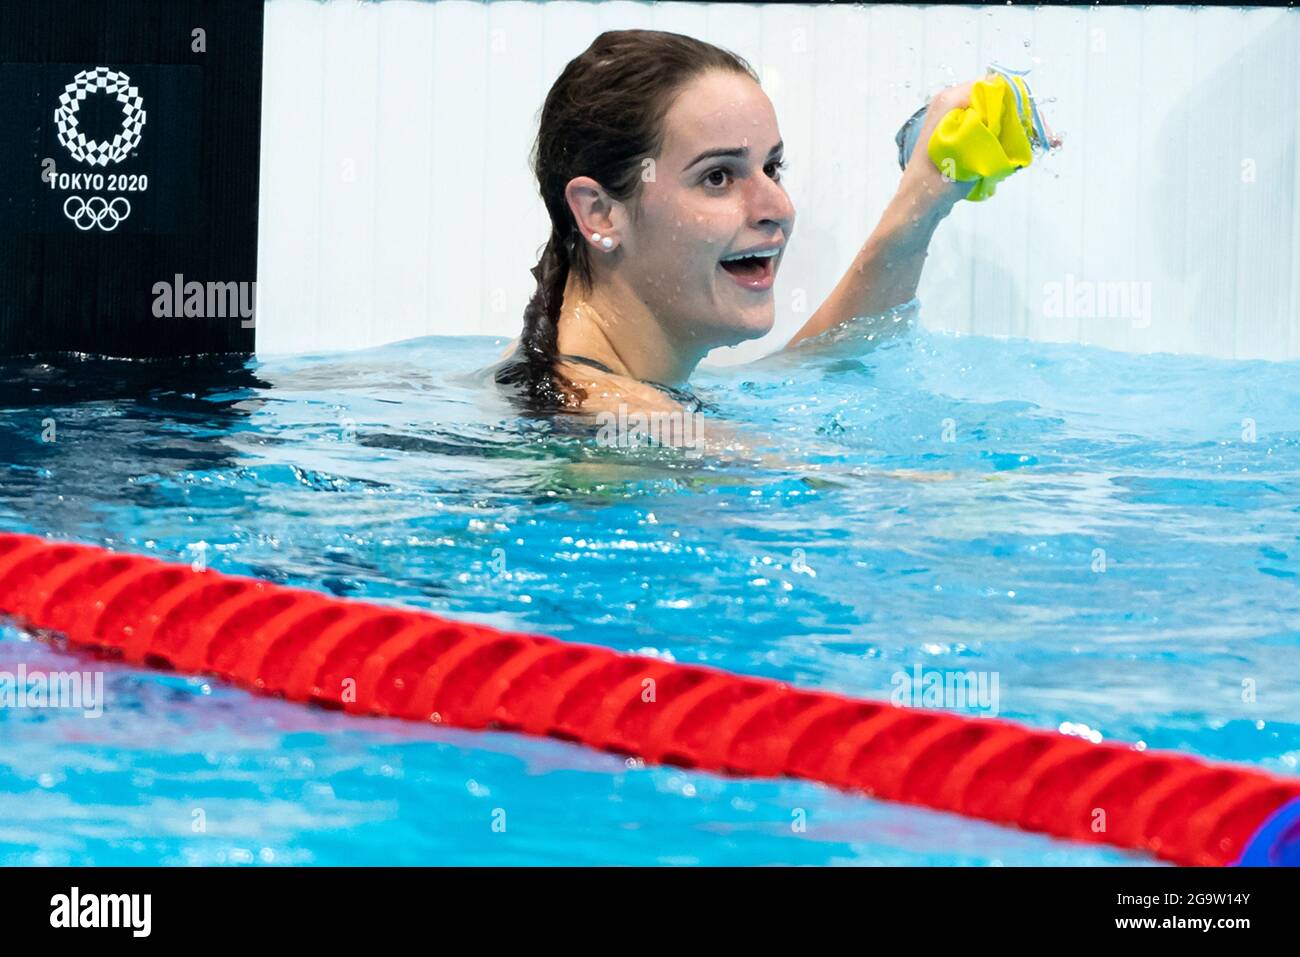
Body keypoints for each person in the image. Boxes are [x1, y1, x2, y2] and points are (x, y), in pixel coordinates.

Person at [492, 28, 980, 424]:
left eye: (772, 168)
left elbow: (810, 366)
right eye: (718, 177)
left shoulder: (550, 370)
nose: (777, 207)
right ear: (600, 213)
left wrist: (923, 203)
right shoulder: (632, 426)